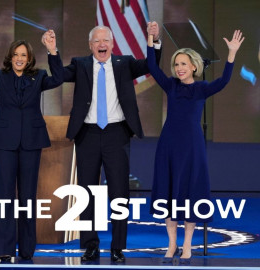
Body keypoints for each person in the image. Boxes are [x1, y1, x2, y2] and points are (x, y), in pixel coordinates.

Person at [63, 24, 162, 262]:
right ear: (90, 46)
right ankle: (90, 245)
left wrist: (154, 40)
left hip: (117, 134)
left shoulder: (125, 63)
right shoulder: (81, 64)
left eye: (105, 40)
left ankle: (118, 246)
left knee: (119, 193)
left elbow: (150, 64)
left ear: (112, 43)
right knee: (88, 193)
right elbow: (59, 74)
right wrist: (52, 51)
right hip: (87, 134)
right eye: (96, 41)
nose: (101, 45)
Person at [0, 30, 63, 261]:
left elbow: (59, 79)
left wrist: (53, 50)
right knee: (5, 195)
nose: (19, 58)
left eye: (24, 55)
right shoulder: (0, 76)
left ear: (29, 59)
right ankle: (5, 249)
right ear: (10, 57)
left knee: (28, 196)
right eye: (16, 54)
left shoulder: (39, 76)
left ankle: (27, 249)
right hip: (5, 142)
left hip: (31, 142)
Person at [147, 27, 244, 261]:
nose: (179, 68)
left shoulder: (201, 89)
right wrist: (150, 40)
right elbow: (152, 67)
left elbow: (223, 81)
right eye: (176, 64)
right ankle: (171, 245)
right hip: (169, 146)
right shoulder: (171, 86)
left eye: (183, 64)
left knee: (191, 194)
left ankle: (187, 245)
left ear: (193, 66)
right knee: (169, 195)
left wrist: (231, 54)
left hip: (192, 148)